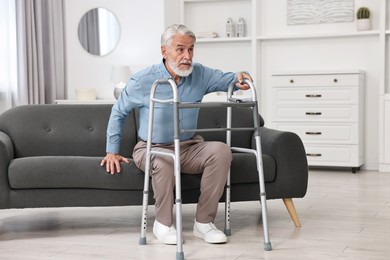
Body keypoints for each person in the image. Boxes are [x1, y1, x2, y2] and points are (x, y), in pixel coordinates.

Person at [100, 24, 253, 245]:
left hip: (189, 146)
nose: (187, 56)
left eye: (191, 50)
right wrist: (111, 151)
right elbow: (118, 112)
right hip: (152, 148)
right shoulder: (142, 80)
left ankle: (204, 223)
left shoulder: (199, 74)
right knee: (164, 161)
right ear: (164, 51)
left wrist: (238, 77)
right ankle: (162, 224)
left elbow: (226, 79)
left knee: (221, 151)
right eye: (180, 49)